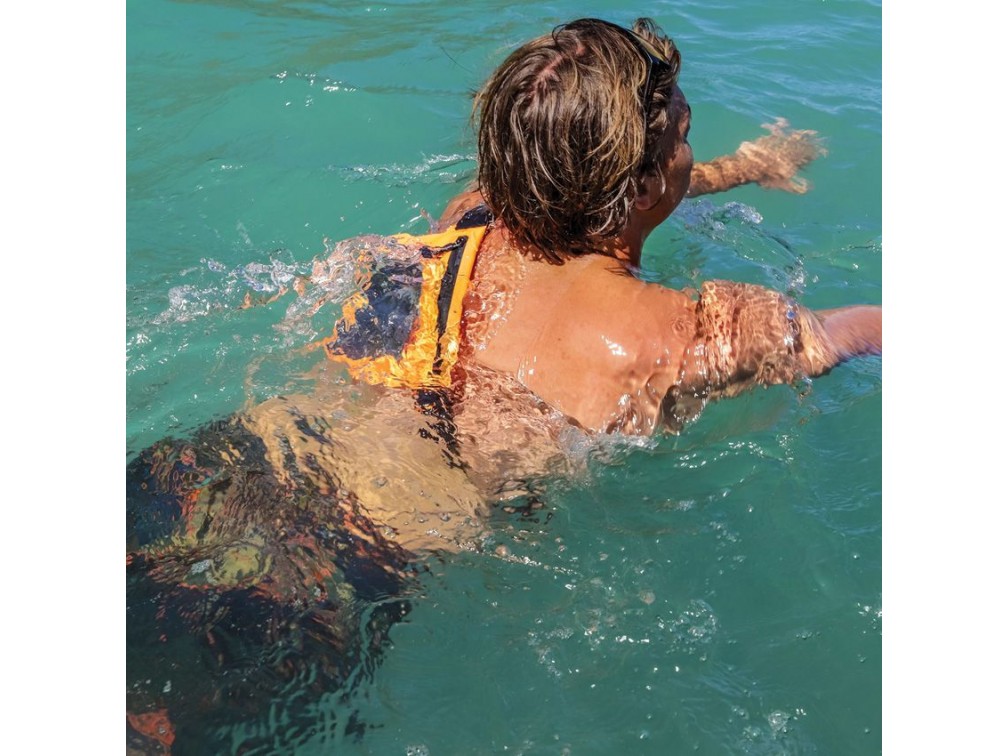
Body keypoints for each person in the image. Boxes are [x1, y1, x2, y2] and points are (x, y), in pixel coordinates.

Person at [126, 16, 880, 751]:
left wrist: (742, 168)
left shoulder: (472, 212)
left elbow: (605, 181)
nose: (692, 153)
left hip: (235, 460)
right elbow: (836, 335)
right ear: (647, 182)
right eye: (685, 136)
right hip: (333, 570)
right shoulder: (659, 334)